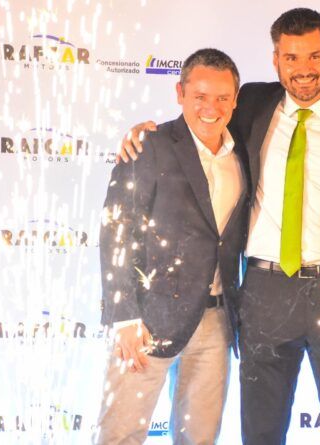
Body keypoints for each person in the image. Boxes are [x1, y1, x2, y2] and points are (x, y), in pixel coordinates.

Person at [118, 8, 320, 445]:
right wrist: (148, 133)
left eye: (313, 56)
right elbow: (202, 120)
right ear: (275, 60)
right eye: (290, 58)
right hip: (264, 294)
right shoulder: (252, 104)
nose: (303, 69)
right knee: (260, 432)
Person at [97, 48, 247, 445]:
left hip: (216, 321)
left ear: (235, 100)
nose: (211, 107)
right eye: (200, 96)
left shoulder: (242, 154)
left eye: (222, 97)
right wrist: (124, 318)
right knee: (121, 436)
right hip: (148, 320)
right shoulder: (149, 146)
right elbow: (117, 230)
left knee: (200, 438)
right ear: (180, 93)